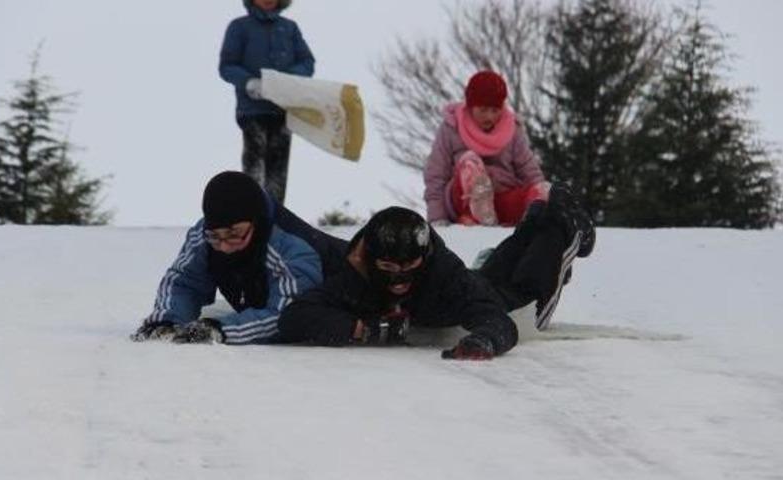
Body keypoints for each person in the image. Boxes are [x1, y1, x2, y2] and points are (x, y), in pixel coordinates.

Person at [278, 188, 595, 359]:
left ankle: (565, 227)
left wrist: (484, 341)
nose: (399, 279)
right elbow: (296, 317)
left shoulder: (444, 275)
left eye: (409, 267)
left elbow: (501, 322)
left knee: (530, 290)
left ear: (425, 257)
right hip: (480, 280)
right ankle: (536, 219)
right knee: (495, 272)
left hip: (512, 306)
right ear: (371, 258)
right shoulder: (357, 273)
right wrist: (360, 328)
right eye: (388, 268)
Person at [131, 171, 347, 345]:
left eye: (234, 235)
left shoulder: (291, 248)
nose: (224, 246)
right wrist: (168, 320)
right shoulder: (205, 235)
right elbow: (184, 282)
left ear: (256, 221)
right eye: (216, 236)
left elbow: (288, 316)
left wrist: (222, 330)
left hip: (359, 297)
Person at [424, 70, 548, 227]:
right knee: (470, 162)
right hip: (462, 201)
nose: (489, 117)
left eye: (495, 110)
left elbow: (529, 170)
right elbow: (436, 174)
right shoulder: (451, 128)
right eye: (483, 110)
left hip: (502, 198)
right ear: (470, 106)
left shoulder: (513, 130)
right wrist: (437, 218)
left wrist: (540, 192)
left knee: (539, 192)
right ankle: (477, 212)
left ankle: (544, 216)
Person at [219, 0, 315, 204]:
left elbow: (307, 62)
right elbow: (227, 66)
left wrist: (287, 80)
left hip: (283, 109)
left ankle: (275, 217)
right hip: (252, 109)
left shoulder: (289, 28)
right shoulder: (239, 27)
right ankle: (252, 211)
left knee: (278, 169)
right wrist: (248, 82)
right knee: (254, 164)